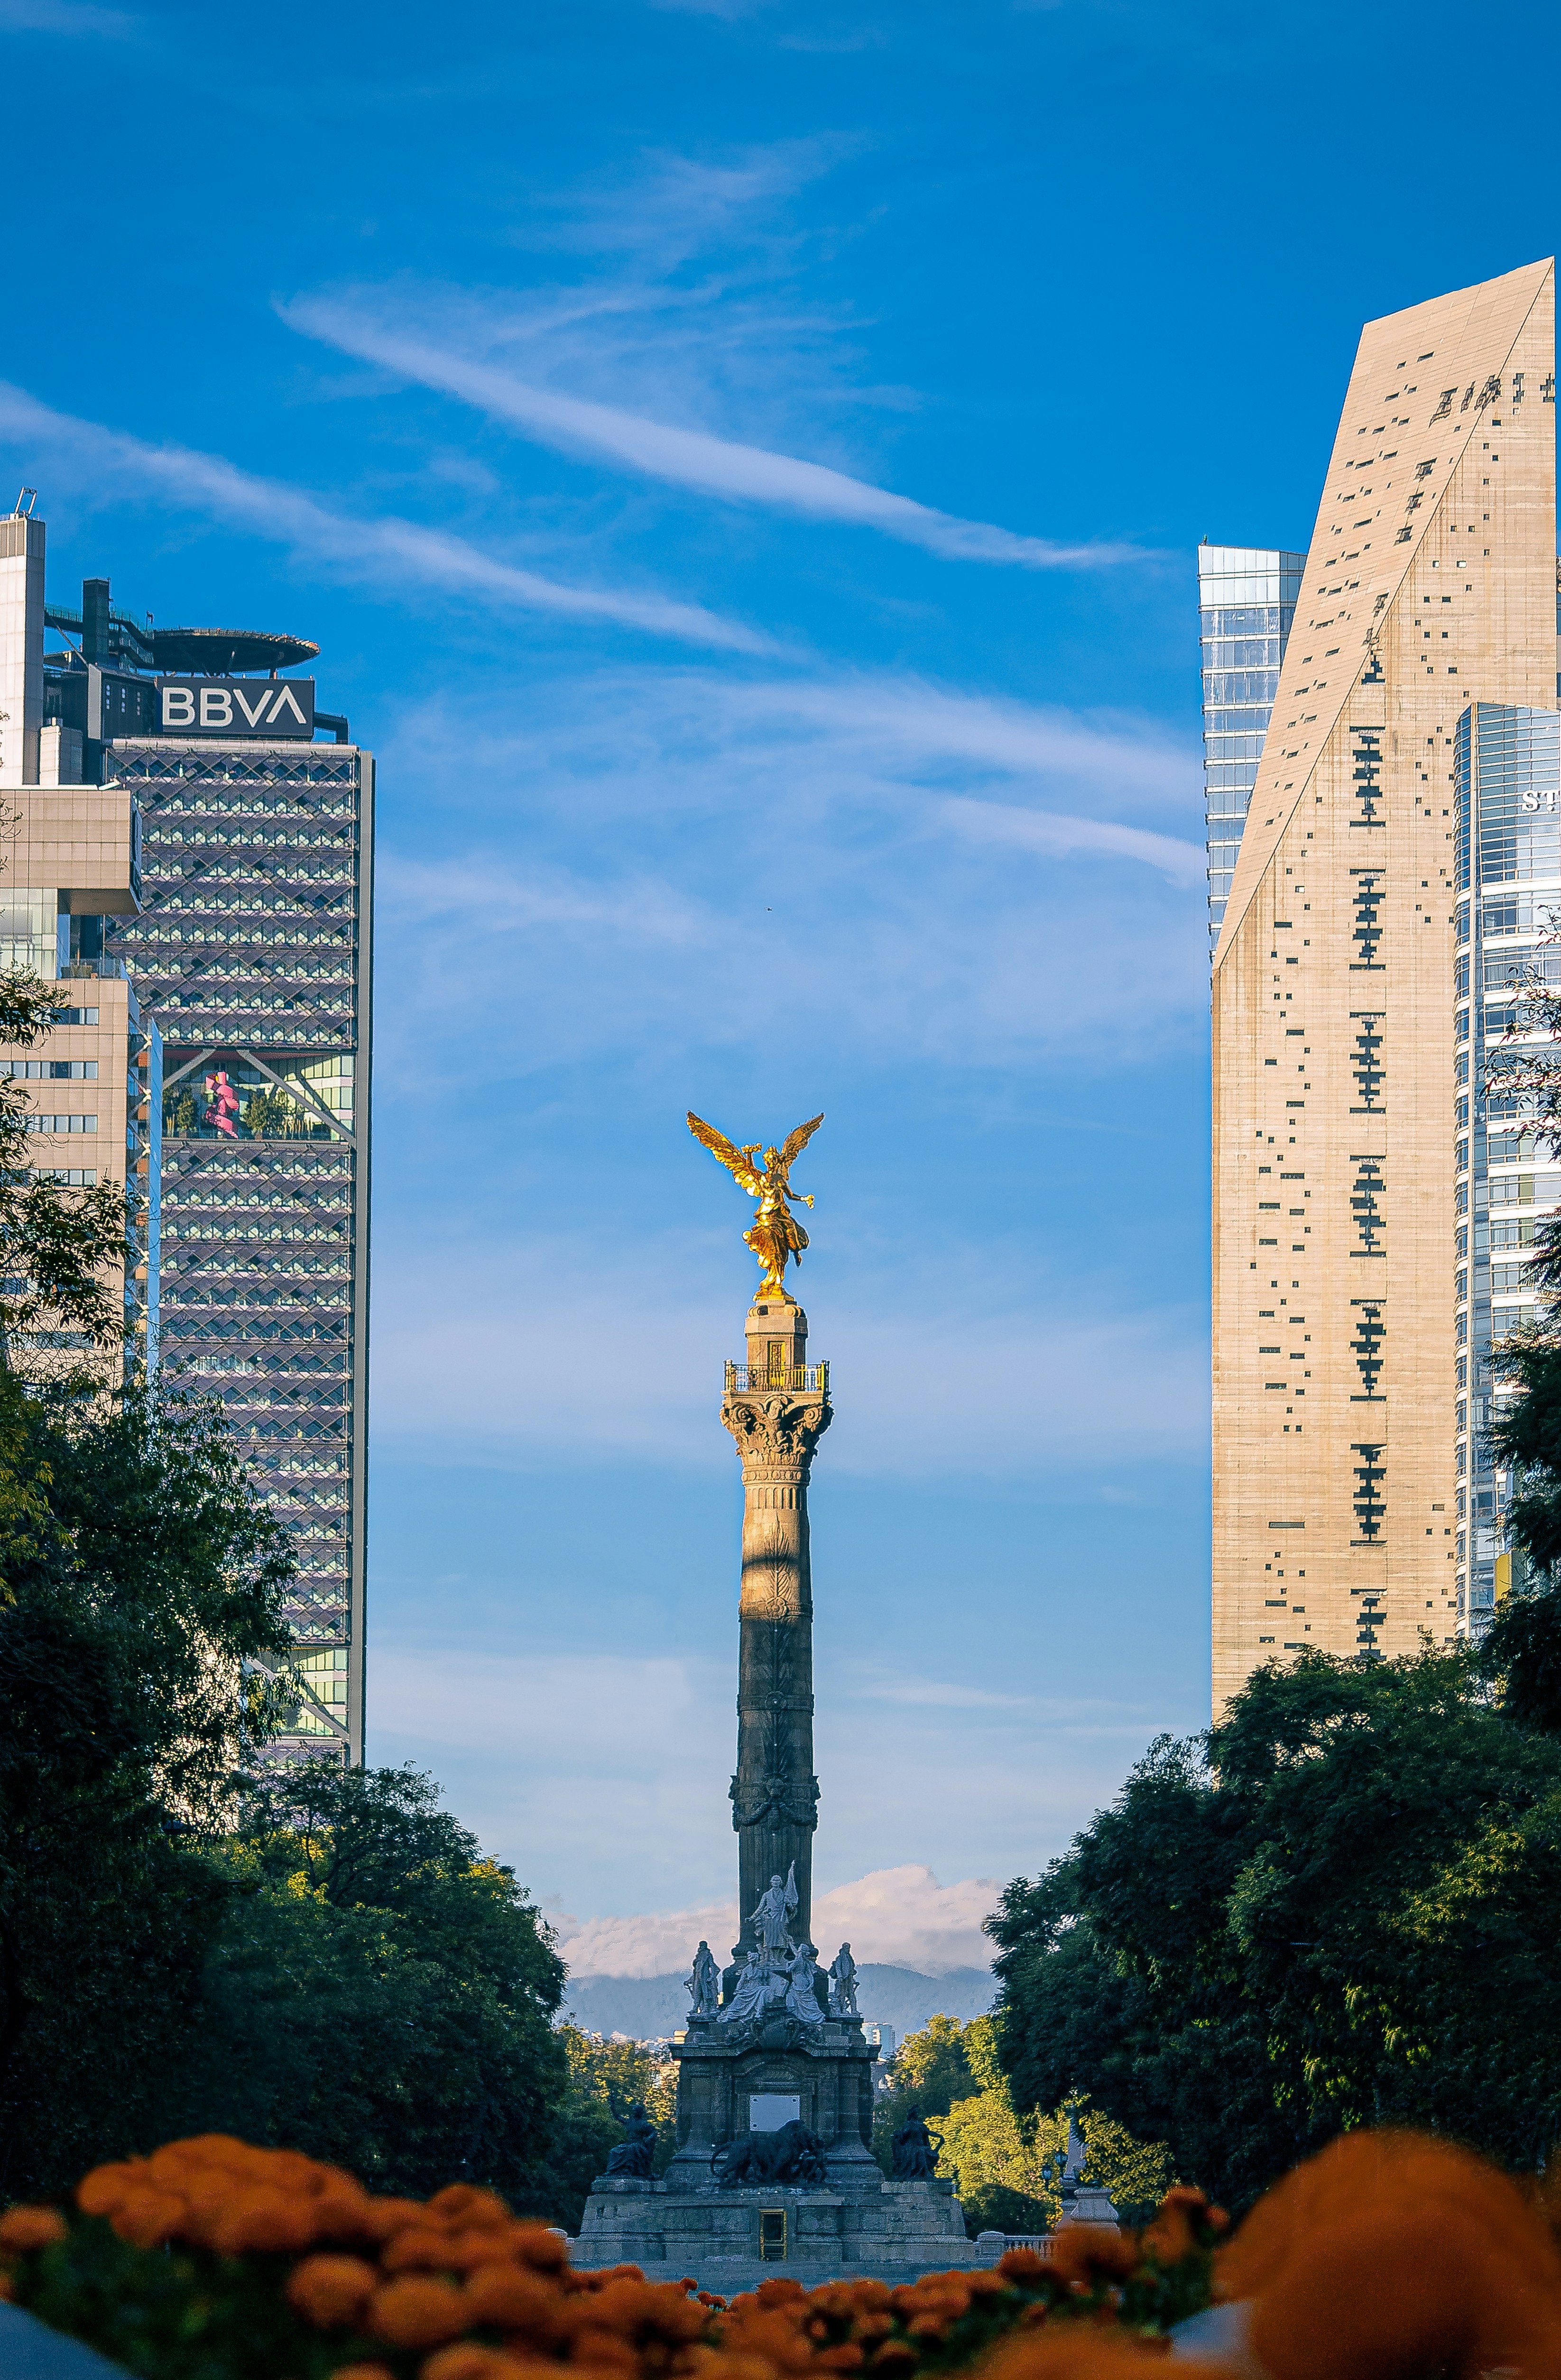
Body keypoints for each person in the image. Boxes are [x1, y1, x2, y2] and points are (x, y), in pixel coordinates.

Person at [891, 2105, 943, 2180]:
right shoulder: (909, 2125)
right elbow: (904, 2136)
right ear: (912, 2114)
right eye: (916, 2112)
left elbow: (929, 2132)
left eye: (918, 2112)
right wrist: (897, 2136)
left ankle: (926, 2173)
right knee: (921, 2152)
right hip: (913, 2148)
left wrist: (940, 2137)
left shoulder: (921, 2125)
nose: (918, 2114)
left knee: (929, 2153)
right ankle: (926, 2173)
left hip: (923, 2147)